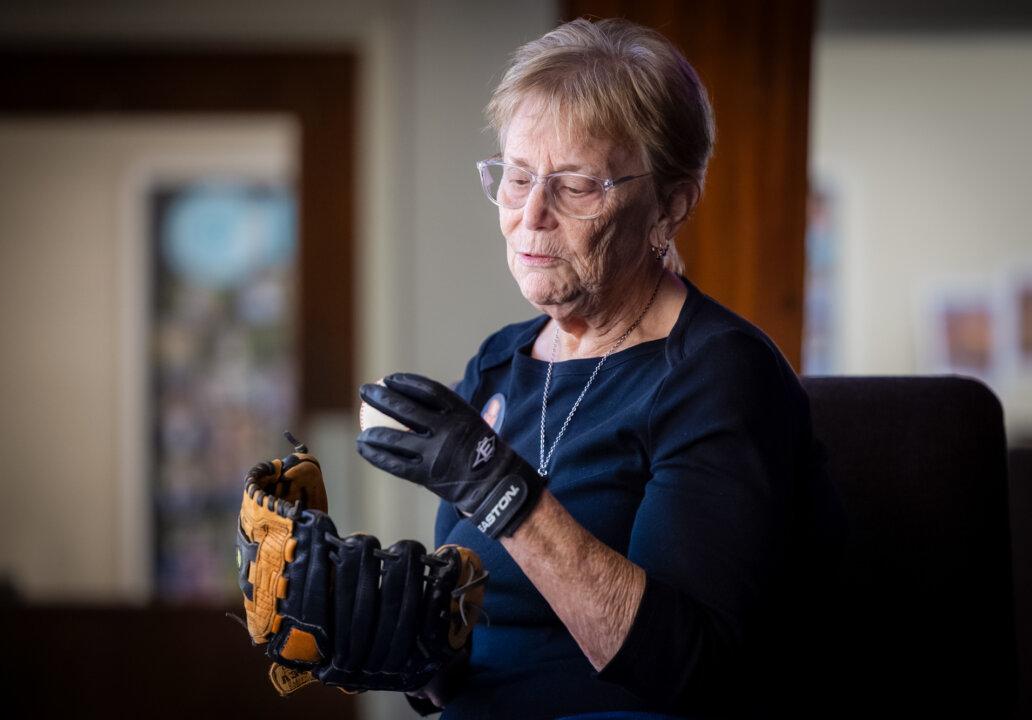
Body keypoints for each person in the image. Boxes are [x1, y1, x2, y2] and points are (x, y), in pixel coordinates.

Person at [357, 17, 846, 719]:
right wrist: (403, 653)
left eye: (577, 186)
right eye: (517, 176)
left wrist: (505, 494)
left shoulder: (718, 375)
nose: (530, 215)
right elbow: (475, 650)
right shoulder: (498, 366)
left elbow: (689, 670)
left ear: (671, 203)